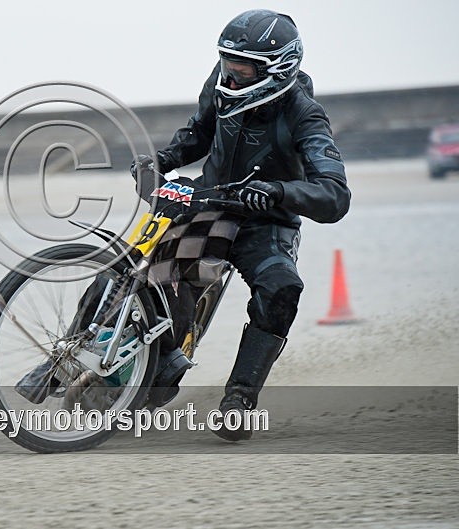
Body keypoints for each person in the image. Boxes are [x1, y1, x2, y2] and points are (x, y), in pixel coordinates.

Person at [131, 9, 351, 441]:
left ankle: (239, 399)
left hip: (265, 222)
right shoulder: (222, 82)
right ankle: (93, 358)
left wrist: (278, 191)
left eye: (241, 70)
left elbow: (335, 196)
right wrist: (162, 160)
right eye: (226, 63)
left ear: (276, 70)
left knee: (282, 288)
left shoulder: (306, 116)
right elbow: (199, 132)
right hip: (209, 205)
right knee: (141, 265)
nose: (229, 77)